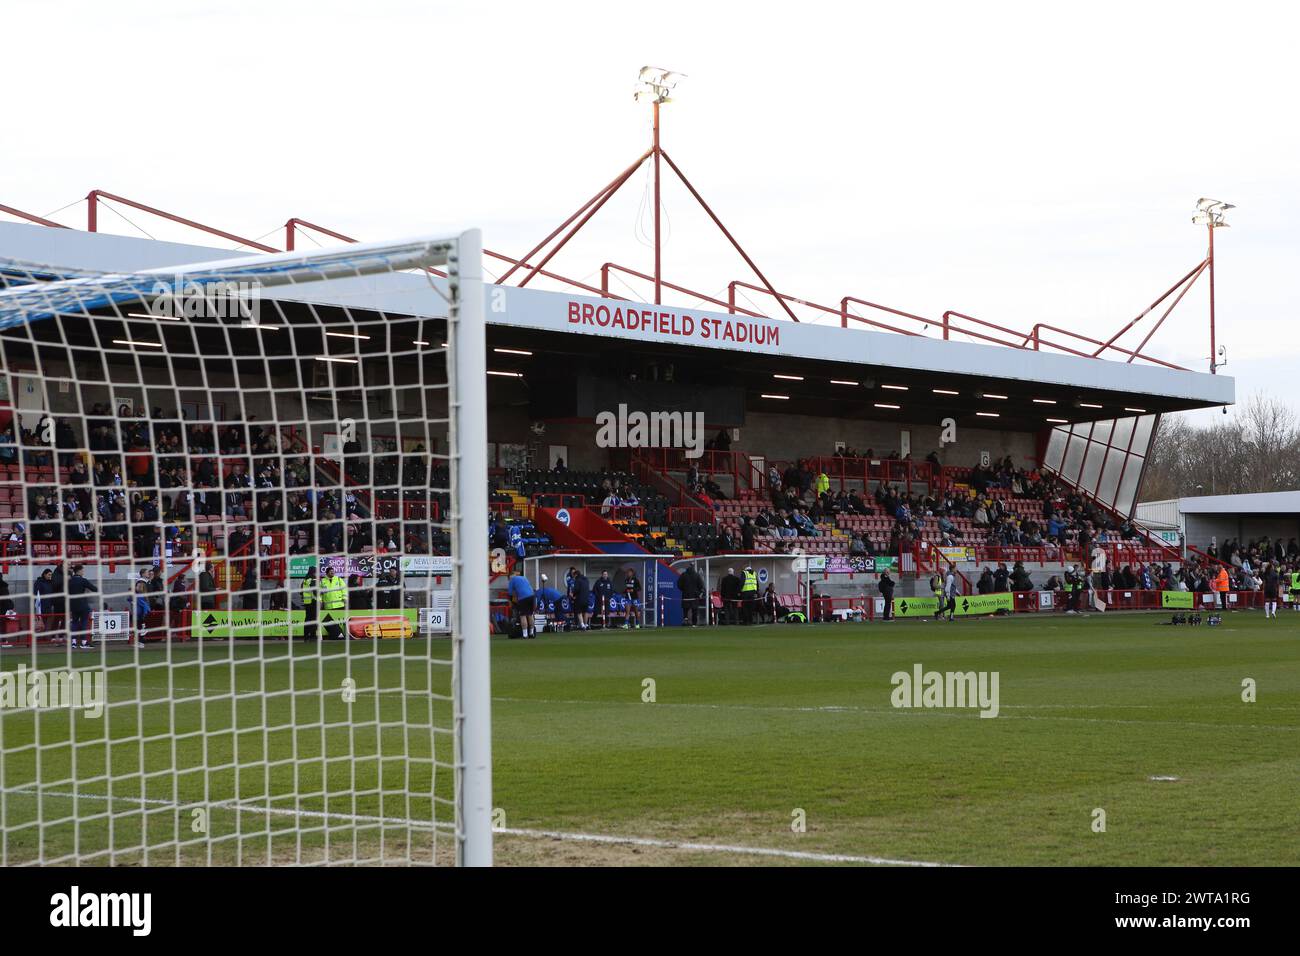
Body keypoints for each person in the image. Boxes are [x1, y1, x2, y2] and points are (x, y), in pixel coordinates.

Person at [67, 564, 97, 648]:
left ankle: (73, 642)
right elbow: (94, 589)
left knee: (74, 623)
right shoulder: (83, 580)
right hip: (82, 604)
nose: (83, 572)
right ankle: (84, 642)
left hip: (73, 604)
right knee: (84, 622)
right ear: (79, 571)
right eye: (83, 570)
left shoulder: (69, 580)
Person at [318, 567, 348, 639]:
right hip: (328, 605)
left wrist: (345, 598)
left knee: (339, 621)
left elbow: (344, 589)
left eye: (333, 571)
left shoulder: (338, 579)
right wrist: (320, 600)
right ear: (327, 573)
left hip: (339, 604)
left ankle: (341, 635)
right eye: (331, 571)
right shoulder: (322, 581)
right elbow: (319, 592)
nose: (332, 572)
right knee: (330, 622)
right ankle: (334, 635)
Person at [508, 572, 536, 639]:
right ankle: (531, 633)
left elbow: (510, 593)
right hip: (532, 596)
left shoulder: (512, 580)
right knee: (530, 614)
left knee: (523, 616)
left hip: (523, 598)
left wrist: (512, 601)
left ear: (510, 577)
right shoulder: (523, 577)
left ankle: (525, 635)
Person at [300, 565, 318, 642]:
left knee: (307, 620)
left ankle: (306, 637)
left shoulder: (305, 580)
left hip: (307, 602)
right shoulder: (313, 579)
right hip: (313, 602)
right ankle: (313, 636)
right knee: (314, 619)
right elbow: (315, 591)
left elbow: (301, 592)